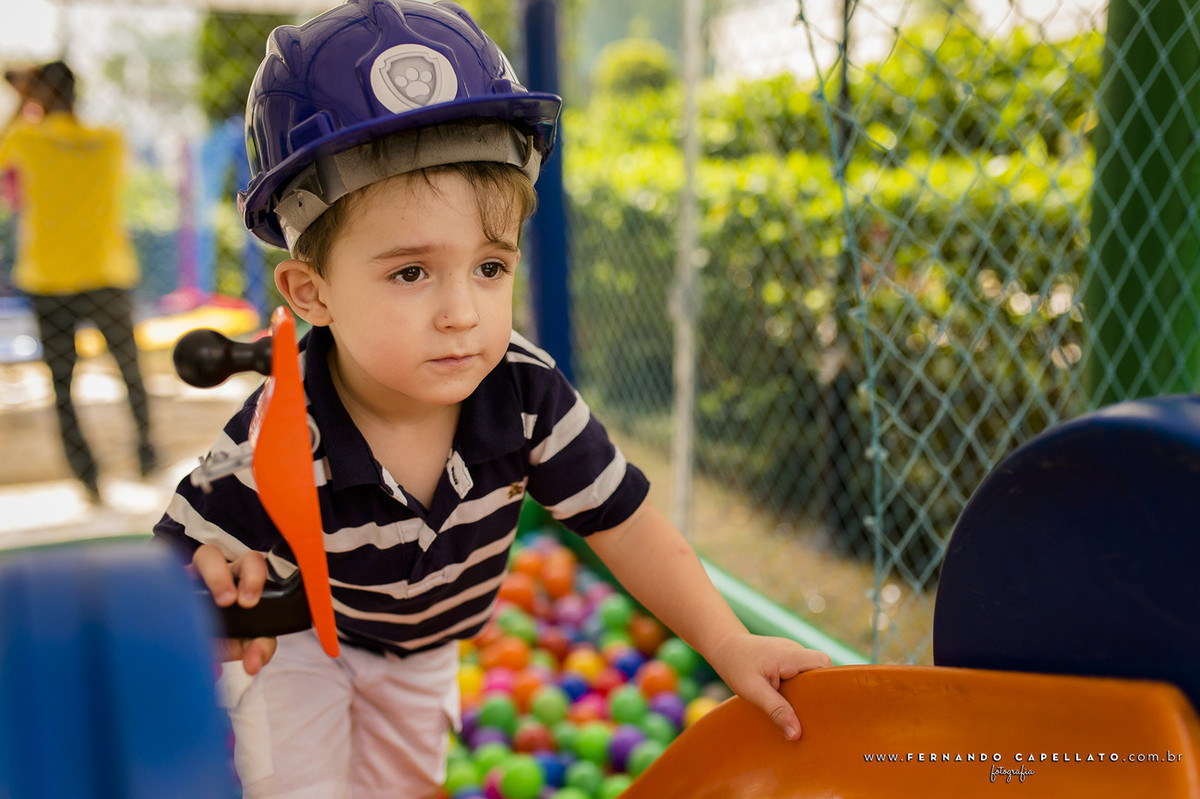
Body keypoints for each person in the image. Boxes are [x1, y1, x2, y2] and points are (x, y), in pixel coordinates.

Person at [153, 2, 832, 797]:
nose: (462, 313)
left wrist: (728, 641)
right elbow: (166, 566)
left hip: (426, 651)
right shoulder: (279, 430)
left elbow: (624, 522)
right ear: (312, 293)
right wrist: (207, 580)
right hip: (303, 641)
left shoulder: (525, 393)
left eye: (490, 267)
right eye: (411, 272)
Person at [0, 60, 157, 502]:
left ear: (37, 97)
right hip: (106, 273)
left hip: (48, 279)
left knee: (62, 384)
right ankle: (146, 455)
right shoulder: (108, 140)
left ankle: (88, 477)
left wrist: (22, 103)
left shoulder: (25, 138)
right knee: (130, 371)